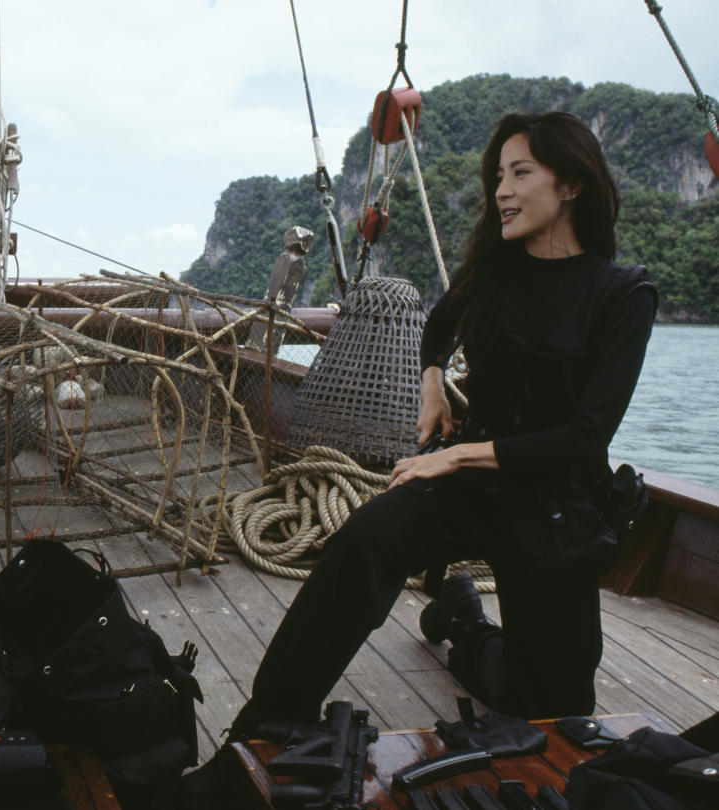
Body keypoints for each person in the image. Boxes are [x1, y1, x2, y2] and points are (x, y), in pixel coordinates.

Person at [184, 110, 657, 803]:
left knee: (549, 710)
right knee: (364, 542)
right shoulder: (496, 273)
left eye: (520, 172)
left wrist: (457, 458)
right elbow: (437, 328)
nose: (501, 190)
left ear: (573, 185)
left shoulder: (622, 294)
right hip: (471, 484)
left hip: (557, 506)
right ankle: (264, 728)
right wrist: (432, 382)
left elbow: (585, 439)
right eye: (498, 175)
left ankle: (461, 624)